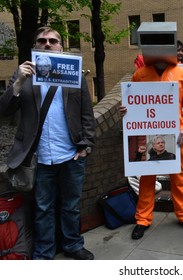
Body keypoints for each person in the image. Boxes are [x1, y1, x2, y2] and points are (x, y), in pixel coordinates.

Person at [0, 26, 96, 260]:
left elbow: (87, 114)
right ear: (35, 46)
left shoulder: (74, 75)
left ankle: (73, 244)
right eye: (42, 40)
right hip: (39, 156)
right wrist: (19, 81)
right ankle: (44, 252)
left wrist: (86, 146)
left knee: (71, 205)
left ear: (61, 46)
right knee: (43, 207)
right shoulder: (23, 75)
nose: (47, 44)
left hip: (71, 154)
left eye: (53, 41)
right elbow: (4, 110)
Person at [120, 23, 183, 240]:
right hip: (148, 134)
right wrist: (126, 109)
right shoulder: (140, 74)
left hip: (176, 136)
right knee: (146, 177)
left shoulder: (181, 74)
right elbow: (134, 103)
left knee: (179, 177)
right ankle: (143, 219)